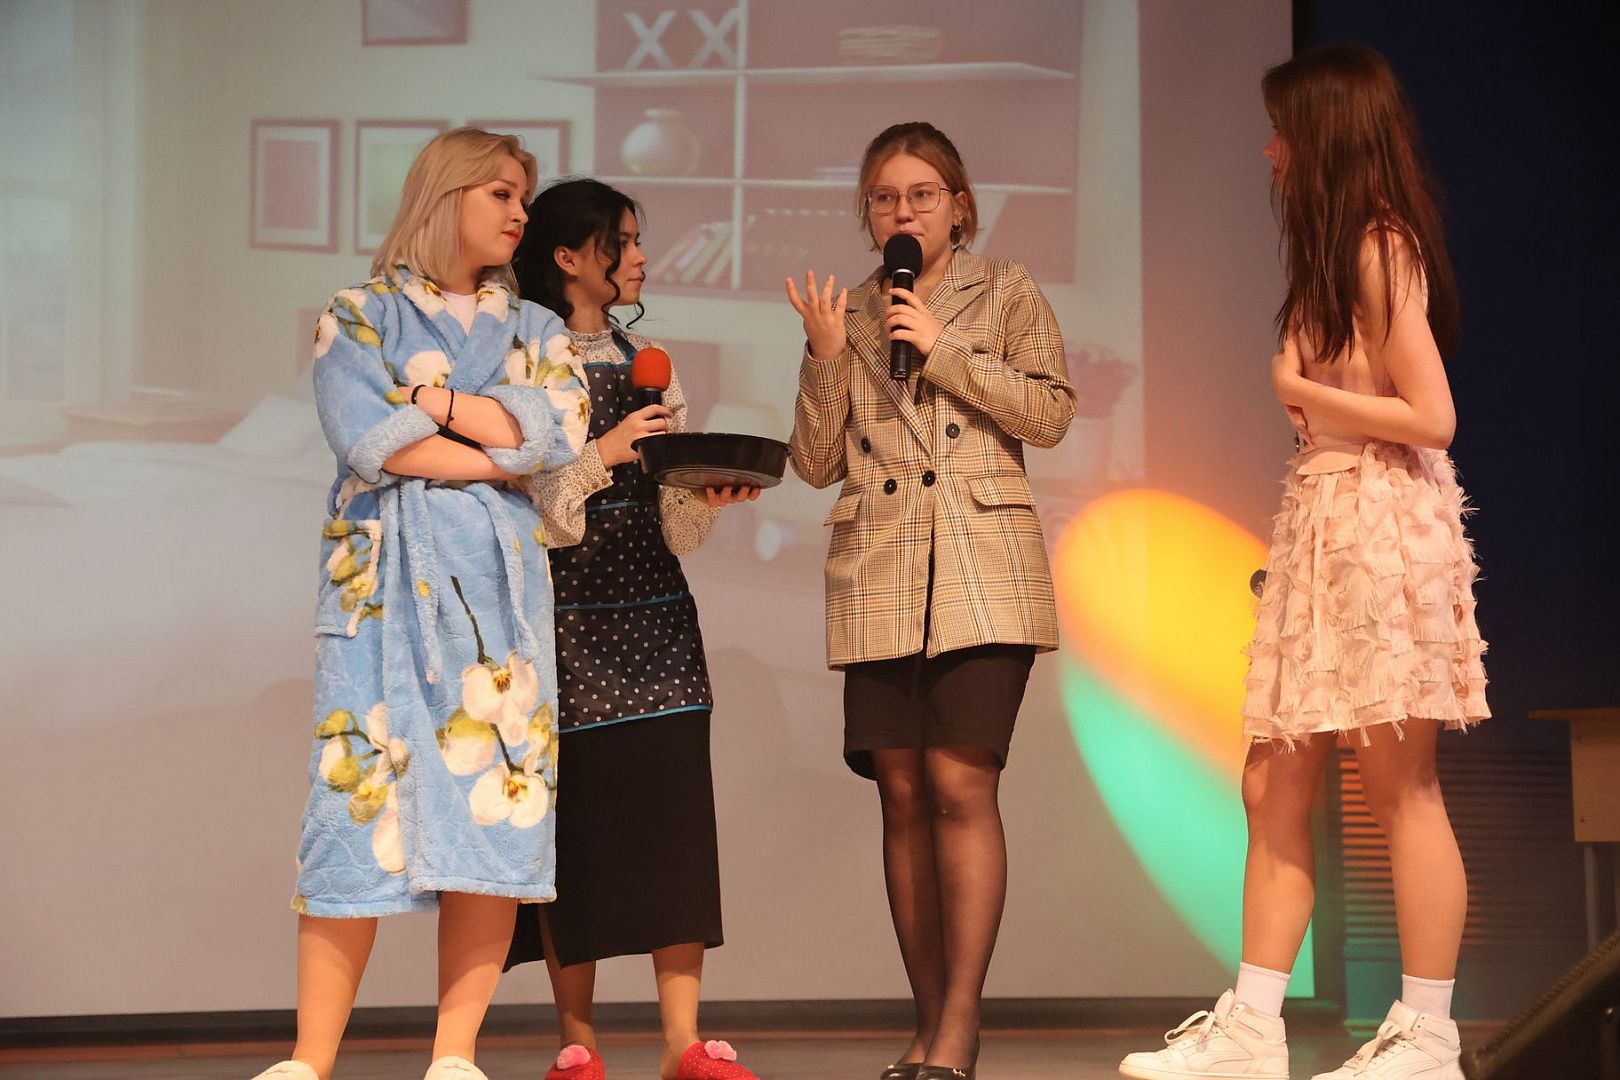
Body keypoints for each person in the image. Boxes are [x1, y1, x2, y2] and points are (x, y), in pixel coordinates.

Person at [1118, 44, 1488, 1080]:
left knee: (1401, 785)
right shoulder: (1335, 255)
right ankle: (1252, 1026)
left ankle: (1427, 1033)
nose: (1271, 151)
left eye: (1283, 131)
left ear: (1323, 136)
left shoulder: (1379, 248)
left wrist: (1303, 390)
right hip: (1322, 522)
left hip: (1381, 523)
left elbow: (1433, 416)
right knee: (1271, 782)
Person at [252, 128, 589, 1080]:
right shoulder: (357, 315)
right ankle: (310, 1059)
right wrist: (497, 452)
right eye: (500, 193)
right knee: (353, 812)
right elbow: (370, 440)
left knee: (494, 812)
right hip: (380, 602)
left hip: (495, 609)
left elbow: (558, 431)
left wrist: (438, 409)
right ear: (446, 196)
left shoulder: (538, 328)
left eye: (523, 196)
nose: (520, 212)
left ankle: (454, 1055)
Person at [786, 121, 1076, 1080]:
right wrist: (825, 356)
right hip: (879, 566)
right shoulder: (851, 310)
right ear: (867, 213)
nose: (902, 212)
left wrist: (943, 347)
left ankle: (960, 1025)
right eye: (884, 198)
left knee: (960, 785)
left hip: (982, 565)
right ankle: (927, 1026)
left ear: (958, 205)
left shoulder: (1007, 290)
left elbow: (1050, 413)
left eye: (921, 194)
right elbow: (815, 462)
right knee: (903, 797)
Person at [503, 177, 761, 1080]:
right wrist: (606, 455)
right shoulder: (522, 361)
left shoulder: (651, 361)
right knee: (577, 837)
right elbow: (530, 509)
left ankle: (682, 1042)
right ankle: (577, 1042)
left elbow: (678, 531)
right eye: (625, 241)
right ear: (569, 256)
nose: (642, 257)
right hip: (563, 623)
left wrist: (702, 495)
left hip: (658, 624)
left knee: (673, 828)